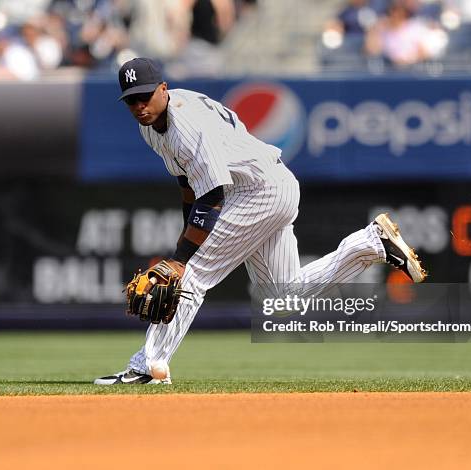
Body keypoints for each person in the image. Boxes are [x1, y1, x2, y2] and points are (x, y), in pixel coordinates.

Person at [94, 57, 426, 385]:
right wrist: (187, 239)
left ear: (162, 89)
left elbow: (212, 196)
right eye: (131, 99)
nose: (139, 105)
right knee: (283, 298)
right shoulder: (153, 125)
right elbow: (189, 184)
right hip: (265, 187)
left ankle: (147, 367)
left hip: (258, 189)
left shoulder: (185, 125)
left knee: (191, 275)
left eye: (145, 95)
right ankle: (370, 244)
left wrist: (182, 258)